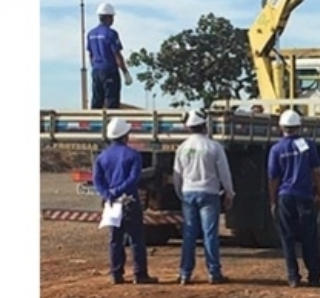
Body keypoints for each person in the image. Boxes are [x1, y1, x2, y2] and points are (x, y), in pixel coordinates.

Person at [92, 117, 159, 285]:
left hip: (112, 203)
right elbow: (134, 177)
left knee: (115, 239)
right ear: (125, 135)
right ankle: (140, 274)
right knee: (136, 238)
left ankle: (116, 274)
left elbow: (97, 180)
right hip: (129, 201)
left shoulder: (102, 157)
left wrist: (108, 194)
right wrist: (119, 190)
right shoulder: (133, 155)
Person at [172, 108, 235, 285]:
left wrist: (180, 193)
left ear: (189, 128)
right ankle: (214, 273)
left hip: (188, 192)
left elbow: (177, 174)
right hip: (209, 193)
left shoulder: (182, 148)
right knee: (210, 234)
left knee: (189, 234)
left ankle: (185, 273)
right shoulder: (213, 147)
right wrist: (229, 193)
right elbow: (224, 173)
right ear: (204, 126)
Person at [268, 109, 320, 287]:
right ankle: (314, 276)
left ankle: (293, 276)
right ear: (299, 126)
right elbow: (316, 172)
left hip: (285, 197)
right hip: (304, 196)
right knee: (310, 236)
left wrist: (273, 201)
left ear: (281, 127)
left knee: (287, 237)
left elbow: (273, 178)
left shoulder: (276, 149)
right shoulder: (307, 145)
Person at [86, 2, 133, 110]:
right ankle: (111, 125)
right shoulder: (111, 34)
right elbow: (117, 55)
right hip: (109, 71)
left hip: (96, 71)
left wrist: (95, 68)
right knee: (112, 101)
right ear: (109, 17)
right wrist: (125, 72)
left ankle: (94, 125)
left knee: (97, 100)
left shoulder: (91, 34)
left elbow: (91, 54)